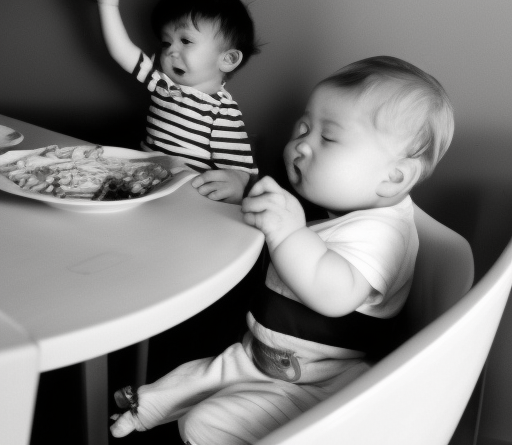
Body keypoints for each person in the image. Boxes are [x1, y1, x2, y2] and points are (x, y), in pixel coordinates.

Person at [108, 56, 454, 445]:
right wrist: (248, 193)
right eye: (303, 127)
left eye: (328, 138)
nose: (302, 144)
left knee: (203, 422)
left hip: (324, 381)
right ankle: (143, 410)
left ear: (393, 177)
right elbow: (290, 210)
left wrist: (288, 233)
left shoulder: (382, 233)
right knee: (198, 377)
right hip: (262, 355)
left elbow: (334, 294)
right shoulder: (338, 203)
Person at [78, 0, 259, 204]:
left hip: (183, 198)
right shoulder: (163, 85)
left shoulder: (222, 112)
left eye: (186, 40)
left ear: (228, 58)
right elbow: (122, 51)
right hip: (139, 186)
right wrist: (108, 4)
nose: (171, 51)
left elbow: (239, 170)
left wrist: (236, 182)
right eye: (166, 42)